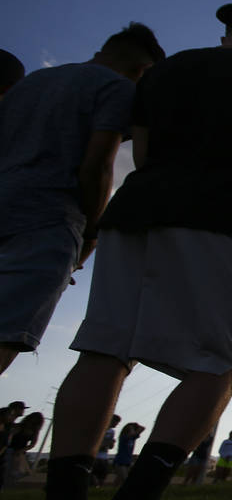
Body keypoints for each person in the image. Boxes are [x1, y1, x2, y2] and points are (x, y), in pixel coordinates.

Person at [34, 4, 232, 500]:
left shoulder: (165, 72)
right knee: (218, 367)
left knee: (105, 352)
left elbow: (146, 152)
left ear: (226, 37)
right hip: (215, 219)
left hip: (134, 213)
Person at [0, 24, 164, 376]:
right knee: (5, 334)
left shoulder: (30, 83)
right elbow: (98, 166)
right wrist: (89, 236)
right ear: (142, 72)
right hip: (47, 220)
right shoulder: (116, 88)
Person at [3, 411, 45, 486]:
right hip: (10, 448)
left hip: (19, 452)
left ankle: (10, 483)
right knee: (8, 466)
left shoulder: (34, 431)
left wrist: (22, 450)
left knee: (16, 469)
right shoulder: (20, 426)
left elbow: (33, 444)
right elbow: (10, 435)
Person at [112, 422, 145, 487]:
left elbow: (143, 428)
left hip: (128, 461)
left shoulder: (133, 438)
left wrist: (135, 426)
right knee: (125, 479)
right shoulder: (124, 437)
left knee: (119, 479)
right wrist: (133, 429)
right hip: (120, 461)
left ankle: (110, 491)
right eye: (130, 430)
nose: (132, 431)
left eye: (132, 429)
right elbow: (134, 434)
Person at [93, 415, 121, 486]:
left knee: (103, 475)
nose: (116, 424)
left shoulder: (112, 431)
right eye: (116, 422)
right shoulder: (101, 429)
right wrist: (105, 443)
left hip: (104, 456)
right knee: (94, 474)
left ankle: (99, 489)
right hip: (96, 456)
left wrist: (112, 443)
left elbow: (110, 447)